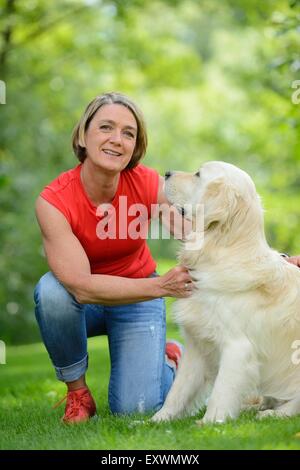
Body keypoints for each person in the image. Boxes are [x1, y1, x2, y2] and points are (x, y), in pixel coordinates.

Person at [34, 92, 194, 424]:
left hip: (137, 300)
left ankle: (170, 358)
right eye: (106, 127)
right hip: (88, 303)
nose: (116, 140)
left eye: (128, 133)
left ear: (135, 146)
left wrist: (270, 256)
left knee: (135, 409)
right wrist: (162, 287)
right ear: (83, 134)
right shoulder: (54, 201)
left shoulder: (148, 183)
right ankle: (78, 395)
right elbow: (81, 288)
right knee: (51, 292)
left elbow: (193, 234)